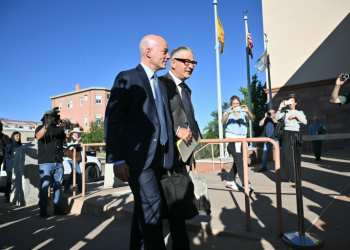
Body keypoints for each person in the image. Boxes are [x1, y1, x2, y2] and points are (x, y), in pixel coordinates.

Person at [104, 34, 174, 250]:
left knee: (144, 210)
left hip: (159, 158)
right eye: (165, 51)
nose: (168, 56)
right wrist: (117, 160)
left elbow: (163, 121)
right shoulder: (128, 78)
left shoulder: (161, 85)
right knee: (153, 210)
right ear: (149, 52)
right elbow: (112, 120)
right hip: (138, 160)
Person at [159, 46, 199, 250]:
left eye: (193, 63)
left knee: (178, 205)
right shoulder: (161, 84)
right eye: (187, 62)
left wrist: (192, 149)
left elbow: (189, 119)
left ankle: (180, 245)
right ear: (173, 62)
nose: (191, 66)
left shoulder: (186, 89)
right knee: (159, 207)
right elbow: (155, 117)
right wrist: (176, 130)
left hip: (181, 156)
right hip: (162, 157)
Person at [35, 109, 68, 218]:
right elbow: (38, 137)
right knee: (45, 186)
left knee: (58, 185)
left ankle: (58, 207)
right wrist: (47, 125)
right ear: (46, 118)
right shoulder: (40, 128)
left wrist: (66, 130)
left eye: (54, 117)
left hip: (58, 161)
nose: (53, 119)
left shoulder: (59, 130)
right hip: (45, 162)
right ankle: (43, 209)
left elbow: (65, 141)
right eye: (51, 117)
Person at [221, 95, 254, 192]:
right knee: (240, 162)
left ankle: (230, 181)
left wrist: (247, 111)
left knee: (238, 161)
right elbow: (223, 122)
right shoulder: (228, 112)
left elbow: (251, 118)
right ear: (231, 104)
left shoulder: (243, 112)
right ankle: (246, 184)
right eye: (234, 104)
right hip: (232, 140)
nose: (236, 105)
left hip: (242, 140)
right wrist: (228, 113)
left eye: (237, 103)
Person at [275, 94, 307, 182]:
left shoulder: (300, 112)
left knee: (296, 155)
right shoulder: (285, 112)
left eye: (292, 101)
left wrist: (296, 116)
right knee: (286, 155)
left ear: (296, 103)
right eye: (289, 102)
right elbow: (276, 118)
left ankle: (295, 177)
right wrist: (280, 107)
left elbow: (305, 122)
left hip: (296, 133)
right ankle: (285, 177)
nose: (291, 103)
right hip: (287, 133)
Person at [64, 127, 84, 193]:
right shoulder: (70, 138)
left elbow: (81, 149)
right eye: (78, 133)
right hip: (71, 158)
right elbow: (71, 147)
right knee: (77, 172)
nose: (78, 134)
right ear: (74, 133)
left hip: (76, 158)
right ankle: (80, 188)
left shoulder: (78, 139)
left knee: (73, 173)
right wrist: (77, 142)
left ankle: (66, 188)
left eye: (79, 133)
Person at [3, 132, 22, 202]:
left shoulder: (20, 145)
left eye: (19, 136)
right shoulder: (10, 145)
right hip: (10, 165)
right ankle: (7, 196)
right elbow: (6, 155)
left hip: (18, 165)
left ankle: (16, 194)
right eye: (16, 136)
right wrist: (15, 155)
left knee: (17, 180)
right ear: (13, 136)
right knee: (9, 181)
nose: (18, 137)